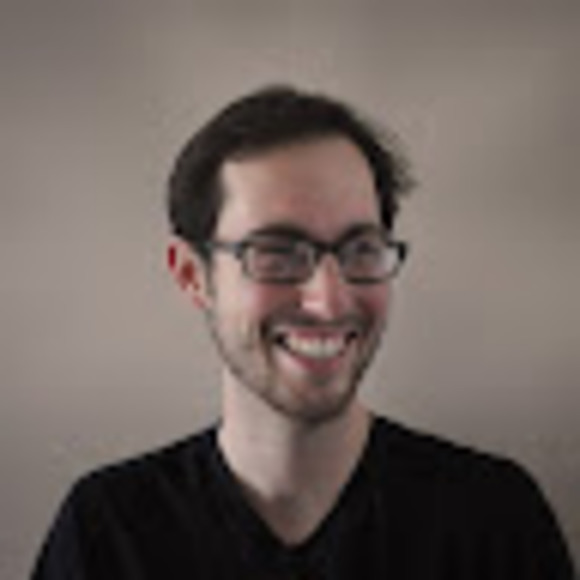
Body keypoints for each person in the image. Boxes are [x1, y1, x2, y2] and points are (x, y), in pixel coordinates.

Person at [32, 86, 575, 579]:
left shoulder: (495, 519)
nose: (330, 300)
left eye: (360, 249)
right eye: (276, 253)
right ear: (193, 275)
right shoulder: (106, 531)